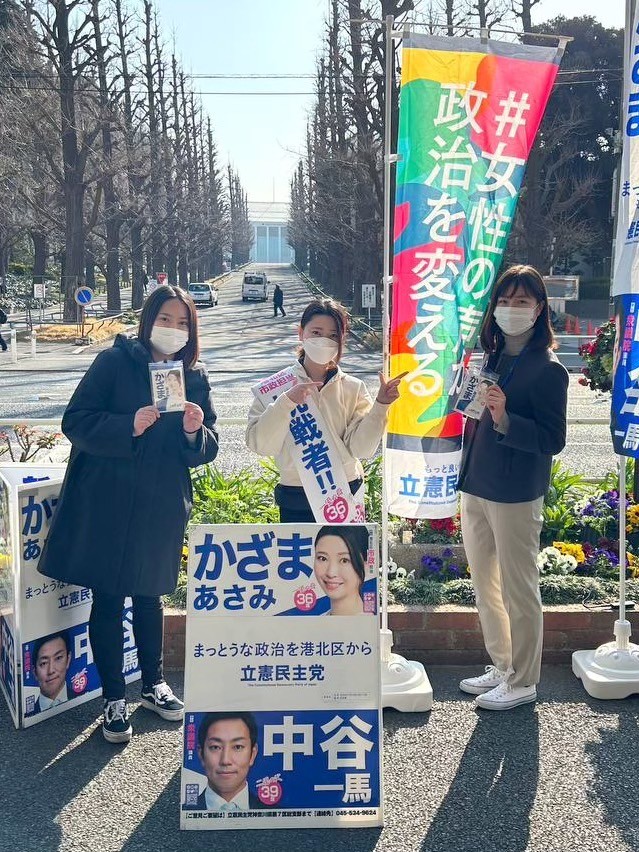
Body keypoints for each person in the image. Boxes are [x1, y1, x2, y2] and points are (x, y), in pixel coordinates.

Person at [38, 285, 219, 743]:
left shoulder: (192, 375)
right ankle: (114, 699)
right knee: (110, 596)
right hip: (107, 501)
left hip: (161, 502)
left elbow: (207, 448)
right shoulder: (114, 363)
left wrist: (196, 433)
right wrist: (128, 425)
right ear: (148, 320)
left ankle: (153, 684)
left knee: (150, 595)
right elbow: (75, 421)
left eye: (183, 323)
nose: (174, 330)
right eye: (166, 319)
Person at [457, 264, 568, 711]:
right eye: (504, 301)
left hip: (516, 491)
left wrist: (504, 419)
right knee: (485, 582)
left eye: (521, 301)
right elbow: (471, 415)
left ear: (539, 309)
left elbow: (552, 439)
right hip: (478, 483)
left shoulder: (548, 369)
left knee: (519, 588)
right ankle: (504, 665)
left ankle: (524, 680)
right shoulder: (490, 358)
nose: (510, 309)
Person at [246, 298, 404, 522]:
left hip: (346, 491)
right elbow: (260, 444)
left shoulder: (353, 388)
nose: (324, 341)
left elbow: (362, 448)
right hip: (295, 495)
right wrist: (286, 402)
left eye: (332, 336)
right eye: (316, 332)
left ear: (341, 341)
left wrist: (381, 405)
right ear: (301, 333)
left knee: (345, 558)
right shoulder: (275, 388)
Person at [189, 712, 268, 811]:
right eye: (215, 747)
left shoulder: (274, 814)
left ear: (252, 754)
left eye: (237, 747)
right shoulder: (188, 810)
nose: (225, 760)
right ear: (201, 754)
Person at [313, 525, 368, 615]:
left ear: (366, 564)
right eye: (322, 558)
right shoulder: (315, 623)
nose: (331, 573)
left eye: (344, 560)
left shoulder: (369, 624)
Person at [31, 631, 71, 713]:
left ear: (68, 660)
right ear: (35, 672)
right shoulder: (28, 714)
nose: (51, 670)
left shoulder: (83, 696)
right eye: (44, 663)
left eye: (58, 658)